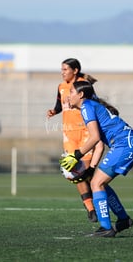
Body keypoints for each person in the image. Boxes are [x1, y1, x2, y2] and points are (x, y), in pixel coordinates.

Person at [60, 80, 133, 237]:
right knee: (98, 182)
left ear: (81, 95)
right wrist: (91, 169)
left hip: (124, 145)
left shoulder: (86, 107)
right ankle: (123, 220)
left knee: (96, 184)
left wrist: (75, 156)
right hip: (129, 145)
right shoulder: (91, 105)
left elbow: (94, 137)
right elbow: (98, 144)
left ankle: (106, 228)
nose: (68, 95)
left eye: (71, 92)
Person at [47, 58, 104, 223]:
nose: (62, 72)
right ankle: (91, 209)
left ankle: (100, 201)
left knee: (86, 172)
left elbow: (95, 104)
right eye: (62, 69)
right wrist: (54, 111)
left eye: (65, 69)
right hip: (69, 135)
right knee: (74, 172)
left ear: (75, 70)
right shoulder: (61, 87)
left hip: (86, 132)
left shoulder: (83, 86)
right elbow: (59, 105)